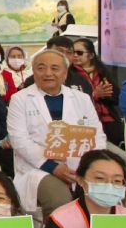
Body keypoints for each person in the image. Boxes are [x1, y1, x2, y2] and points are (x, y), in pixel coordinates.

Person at [7, 48, 105, 213]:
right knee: (59, 199)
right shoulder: (20, 99)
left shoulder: (82, 98)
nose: (48, 73)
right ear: (33, 72)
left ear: (65, 73)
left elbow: (97, 135)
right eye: (41, 68)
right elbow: (20, 140)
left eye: (54, 68)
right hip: (39, 167)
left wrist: (91, 165)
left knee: (104, 195)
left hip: (80, 164)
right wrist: (53, 167)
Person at [69, 39, 123, 145]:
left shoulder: (102, 72)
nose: (75, 55)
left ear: (91, 55)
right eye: (72, 52)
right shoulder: (69, 74)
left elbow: (116, 97)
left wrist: (105, 94)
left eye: (79, 52)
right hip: (83, 121)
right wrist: (94, 95)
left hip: (109, 119)